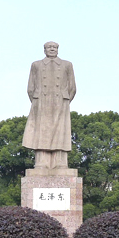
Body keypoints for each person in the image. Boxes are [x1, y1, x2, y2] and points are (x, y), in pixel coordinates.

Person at [22, 41, 76, 169]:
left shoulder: (67, 65)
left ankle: (60, 162)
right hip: (41, 103)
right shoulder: (36, 65)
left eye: (54, 47)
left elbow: (72, 88)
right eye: (49, 47)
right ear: (44, 50)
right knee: (41, 132)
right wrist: (37, 102)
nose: (52, 49)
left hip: (60, 103)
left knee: (60, 132)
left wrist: (65, 101)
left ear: (58, 49)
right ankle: (42, 161)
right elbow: (30, 87)